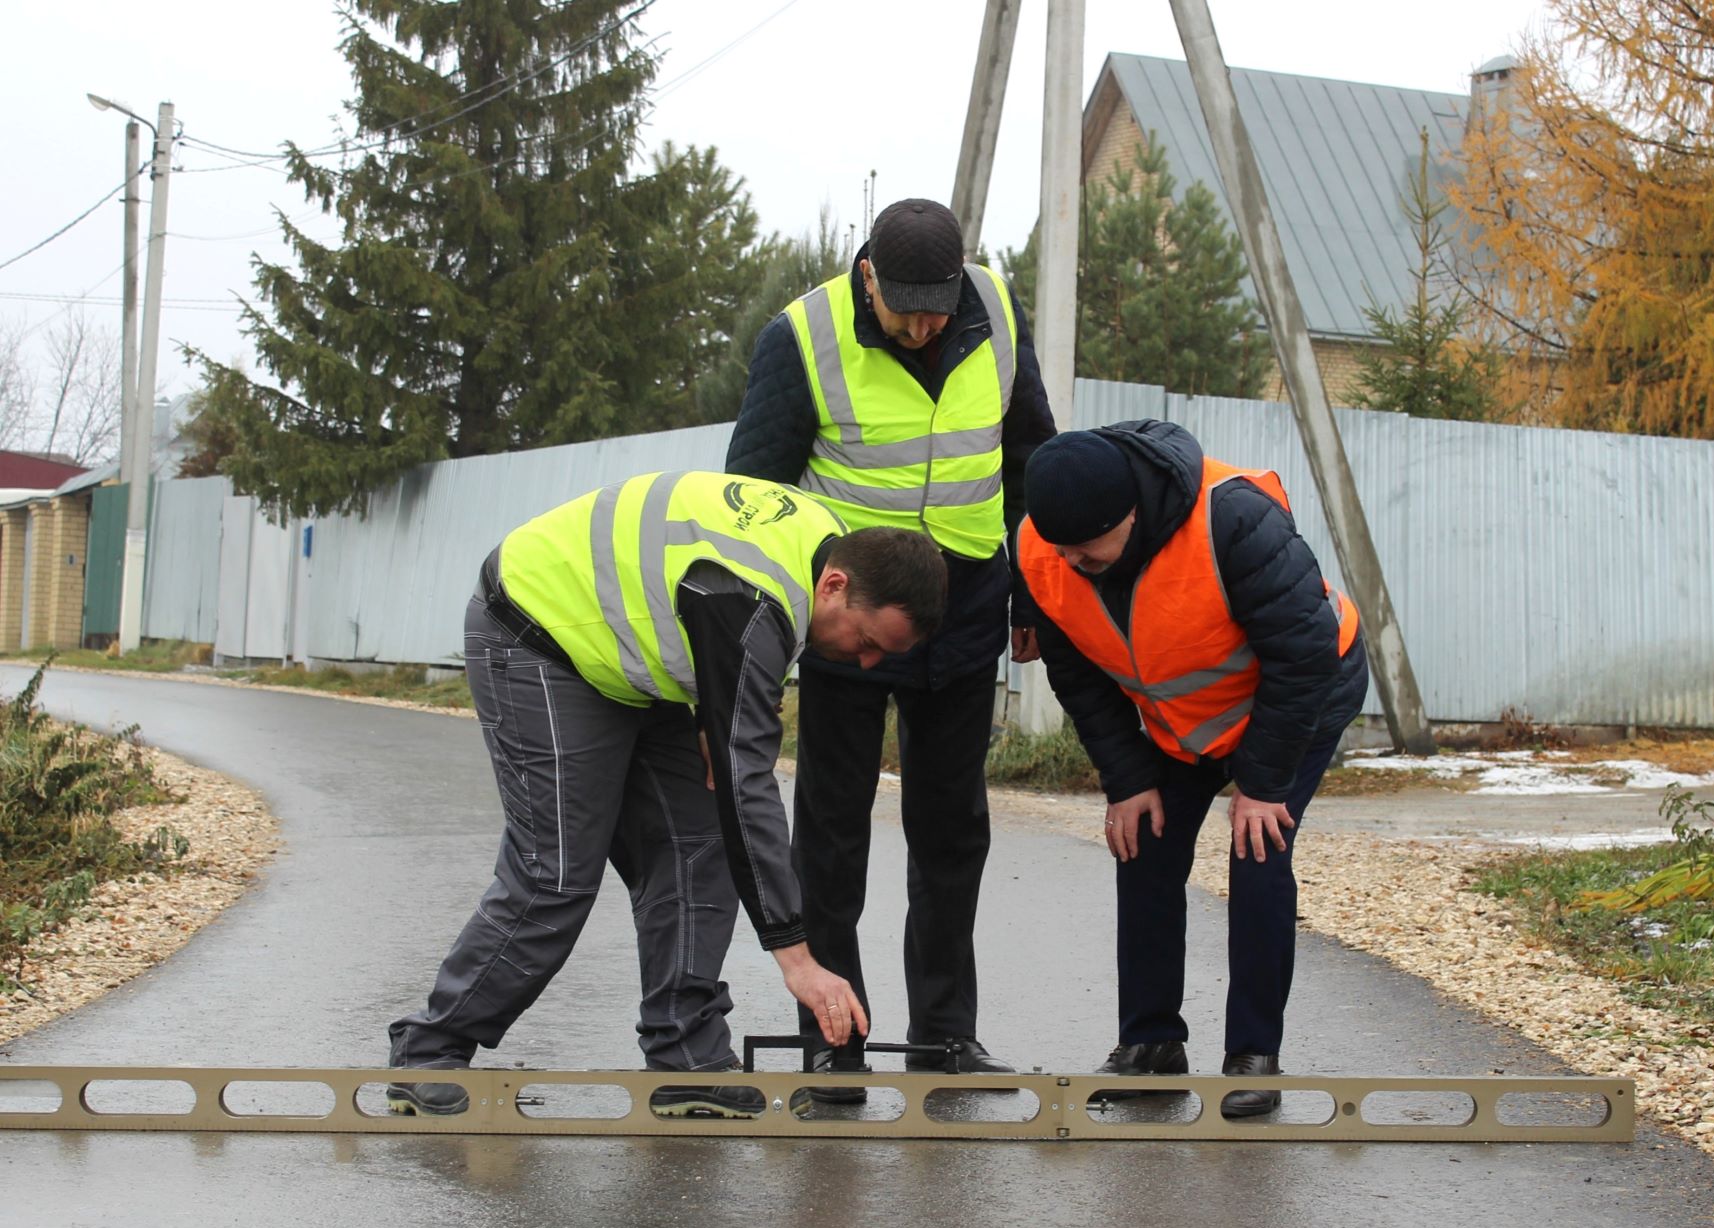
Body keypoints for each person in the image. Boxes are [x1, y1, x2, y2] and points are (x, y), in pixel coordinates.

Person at [384, 470, 947, 1119]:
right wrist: (795, 956)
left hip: (628, 653)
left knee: (698, 842)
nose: (868, 663)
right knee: (556, 872)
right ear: (836, 585)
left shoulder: (823, 554)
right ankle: (430, 1048)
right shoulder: (752, 596)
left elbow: (736, 700)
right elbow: (748, 783)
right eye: (869, 643)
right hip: (537, 627)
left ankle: (684, 1056)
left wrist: (724, 714)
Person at [726, 197, 1057, 1099]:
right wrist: (768, 625)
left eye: (938, 306)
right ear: (865, 275)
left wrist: (1035, 586)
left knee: (952, 830)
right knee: (829, 836)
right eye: (907, 305)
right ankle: (834, 1043)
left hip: (966, 602)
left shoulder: (995, 310)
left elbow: (1032, 457)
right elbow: (750, 493)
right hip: (848, 616)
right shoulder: (803, 336)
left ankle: (948, 1038)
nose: (924, 325)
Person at [1017, 421, 1370, 1118]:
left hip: (1299, 692)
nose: (1071, 564)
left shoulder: (1233, 518)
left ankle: (1252, 1056)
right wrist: (1127, 780)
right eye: (1060, 550)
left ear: (1131, 516)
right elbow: (1077, 676)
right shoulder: (1041, 548)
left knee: (1257, 850)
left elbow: (1303, 655)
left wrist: (1261, 785)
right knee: (1142, 841)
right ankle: (1149, 1048)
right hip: (1185, 719)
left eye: (1087, 552)